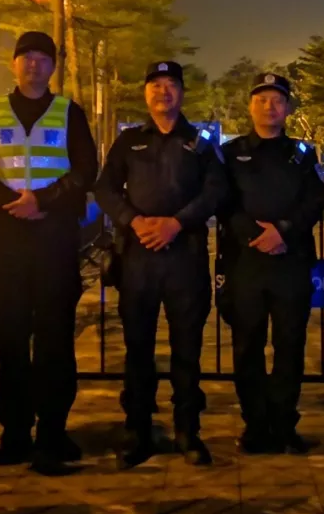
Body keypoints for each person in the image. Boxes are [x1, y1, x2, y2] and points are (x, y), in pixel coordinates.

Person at [0, 31, 98, 468]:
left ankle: (53, 432)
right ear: (14, 64)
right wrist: (11, 202)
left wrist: (44, 200)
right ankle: (15, 432)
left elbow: (86, 168)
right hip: (9, 238)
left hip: (54, 236)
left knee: (55, 335)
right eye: (27, 57)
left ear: (53, 67)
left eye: (43, 58)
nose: (34, 64)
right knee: (11, 335)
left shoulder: (69, 112)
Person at [94, 61, 226, 468]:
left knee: (187, 349)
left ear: (182, 92)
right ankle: (137, 430)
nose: (163, 91)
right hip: (138, 259)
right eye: (155, 85)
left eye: (171, 84)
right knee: (138, 349)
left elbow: (216, 191)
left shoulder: (201, 143)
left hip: (185, 256)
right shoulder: (129, 141)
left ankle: (188, 430)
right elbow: (105, 188)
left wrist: (176, 223)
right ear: (145, 93)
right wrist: (133, 221)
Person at [218, 73, 324, 455]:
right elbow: (223, 201)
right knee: (247, 346)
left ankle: (283, 424)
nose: (269, 106)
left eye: (277, 100)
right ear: (250, 106)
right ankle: (255, 425)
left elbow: (314, 201)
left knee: (289, 346)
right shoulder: (230, 153)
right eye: (262, 100)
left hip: (290, 262)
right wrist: (255, 234)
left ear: (287, 108)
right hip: (246, 264)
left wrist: (283, 231)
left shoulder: (302, 153)